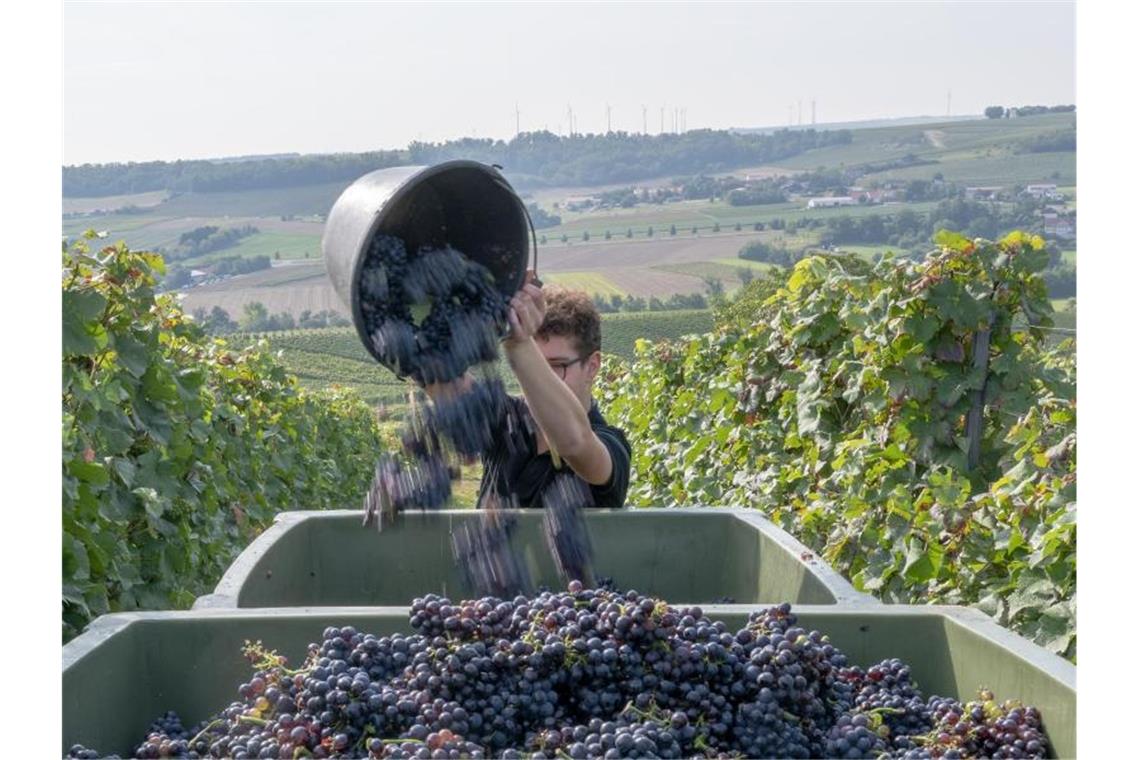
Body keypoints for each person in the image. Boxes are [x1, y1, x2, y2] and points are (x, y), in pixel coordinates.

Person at [426, 273, 632, 510]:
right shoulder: (506, 421)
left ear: (592, 366)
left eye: (556, 366)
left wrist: (520, 343)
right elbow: (435, 373)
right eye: (535, 364)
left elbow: (574, 442)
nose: (539, 377)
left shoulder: (611, 446)